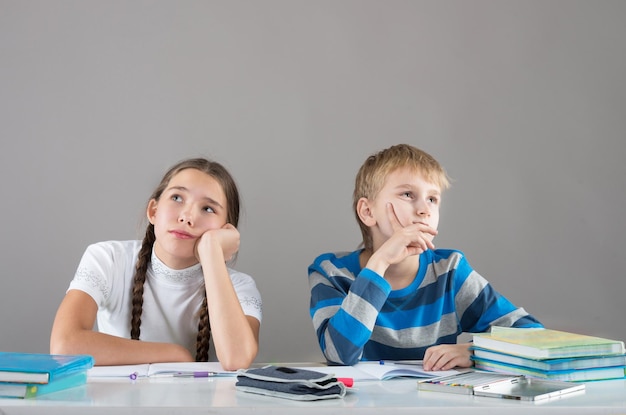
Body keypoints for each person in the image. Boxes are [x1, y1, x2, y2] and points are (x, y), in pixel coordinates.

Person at [308, 144, 542, 370]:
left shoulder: (449, 272)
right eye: (408, 194)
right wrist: (380, 262)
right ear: (368, 212)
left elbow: (533, 334)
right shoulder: (331, 272)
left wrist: (474, 352)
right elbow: (339, 354)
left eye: (432, 199)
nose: (424, 209)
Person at [50, 158, 262, 370]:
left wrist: (212, 250)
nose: (187, 217)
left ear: (226, 231)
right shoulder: (108, 259)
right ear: (153, 211)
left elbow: (237, 359)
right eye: (177, 197)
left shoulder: (241, 287)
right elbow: (65, 345)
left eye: (207, 209)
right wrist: (175, 354)